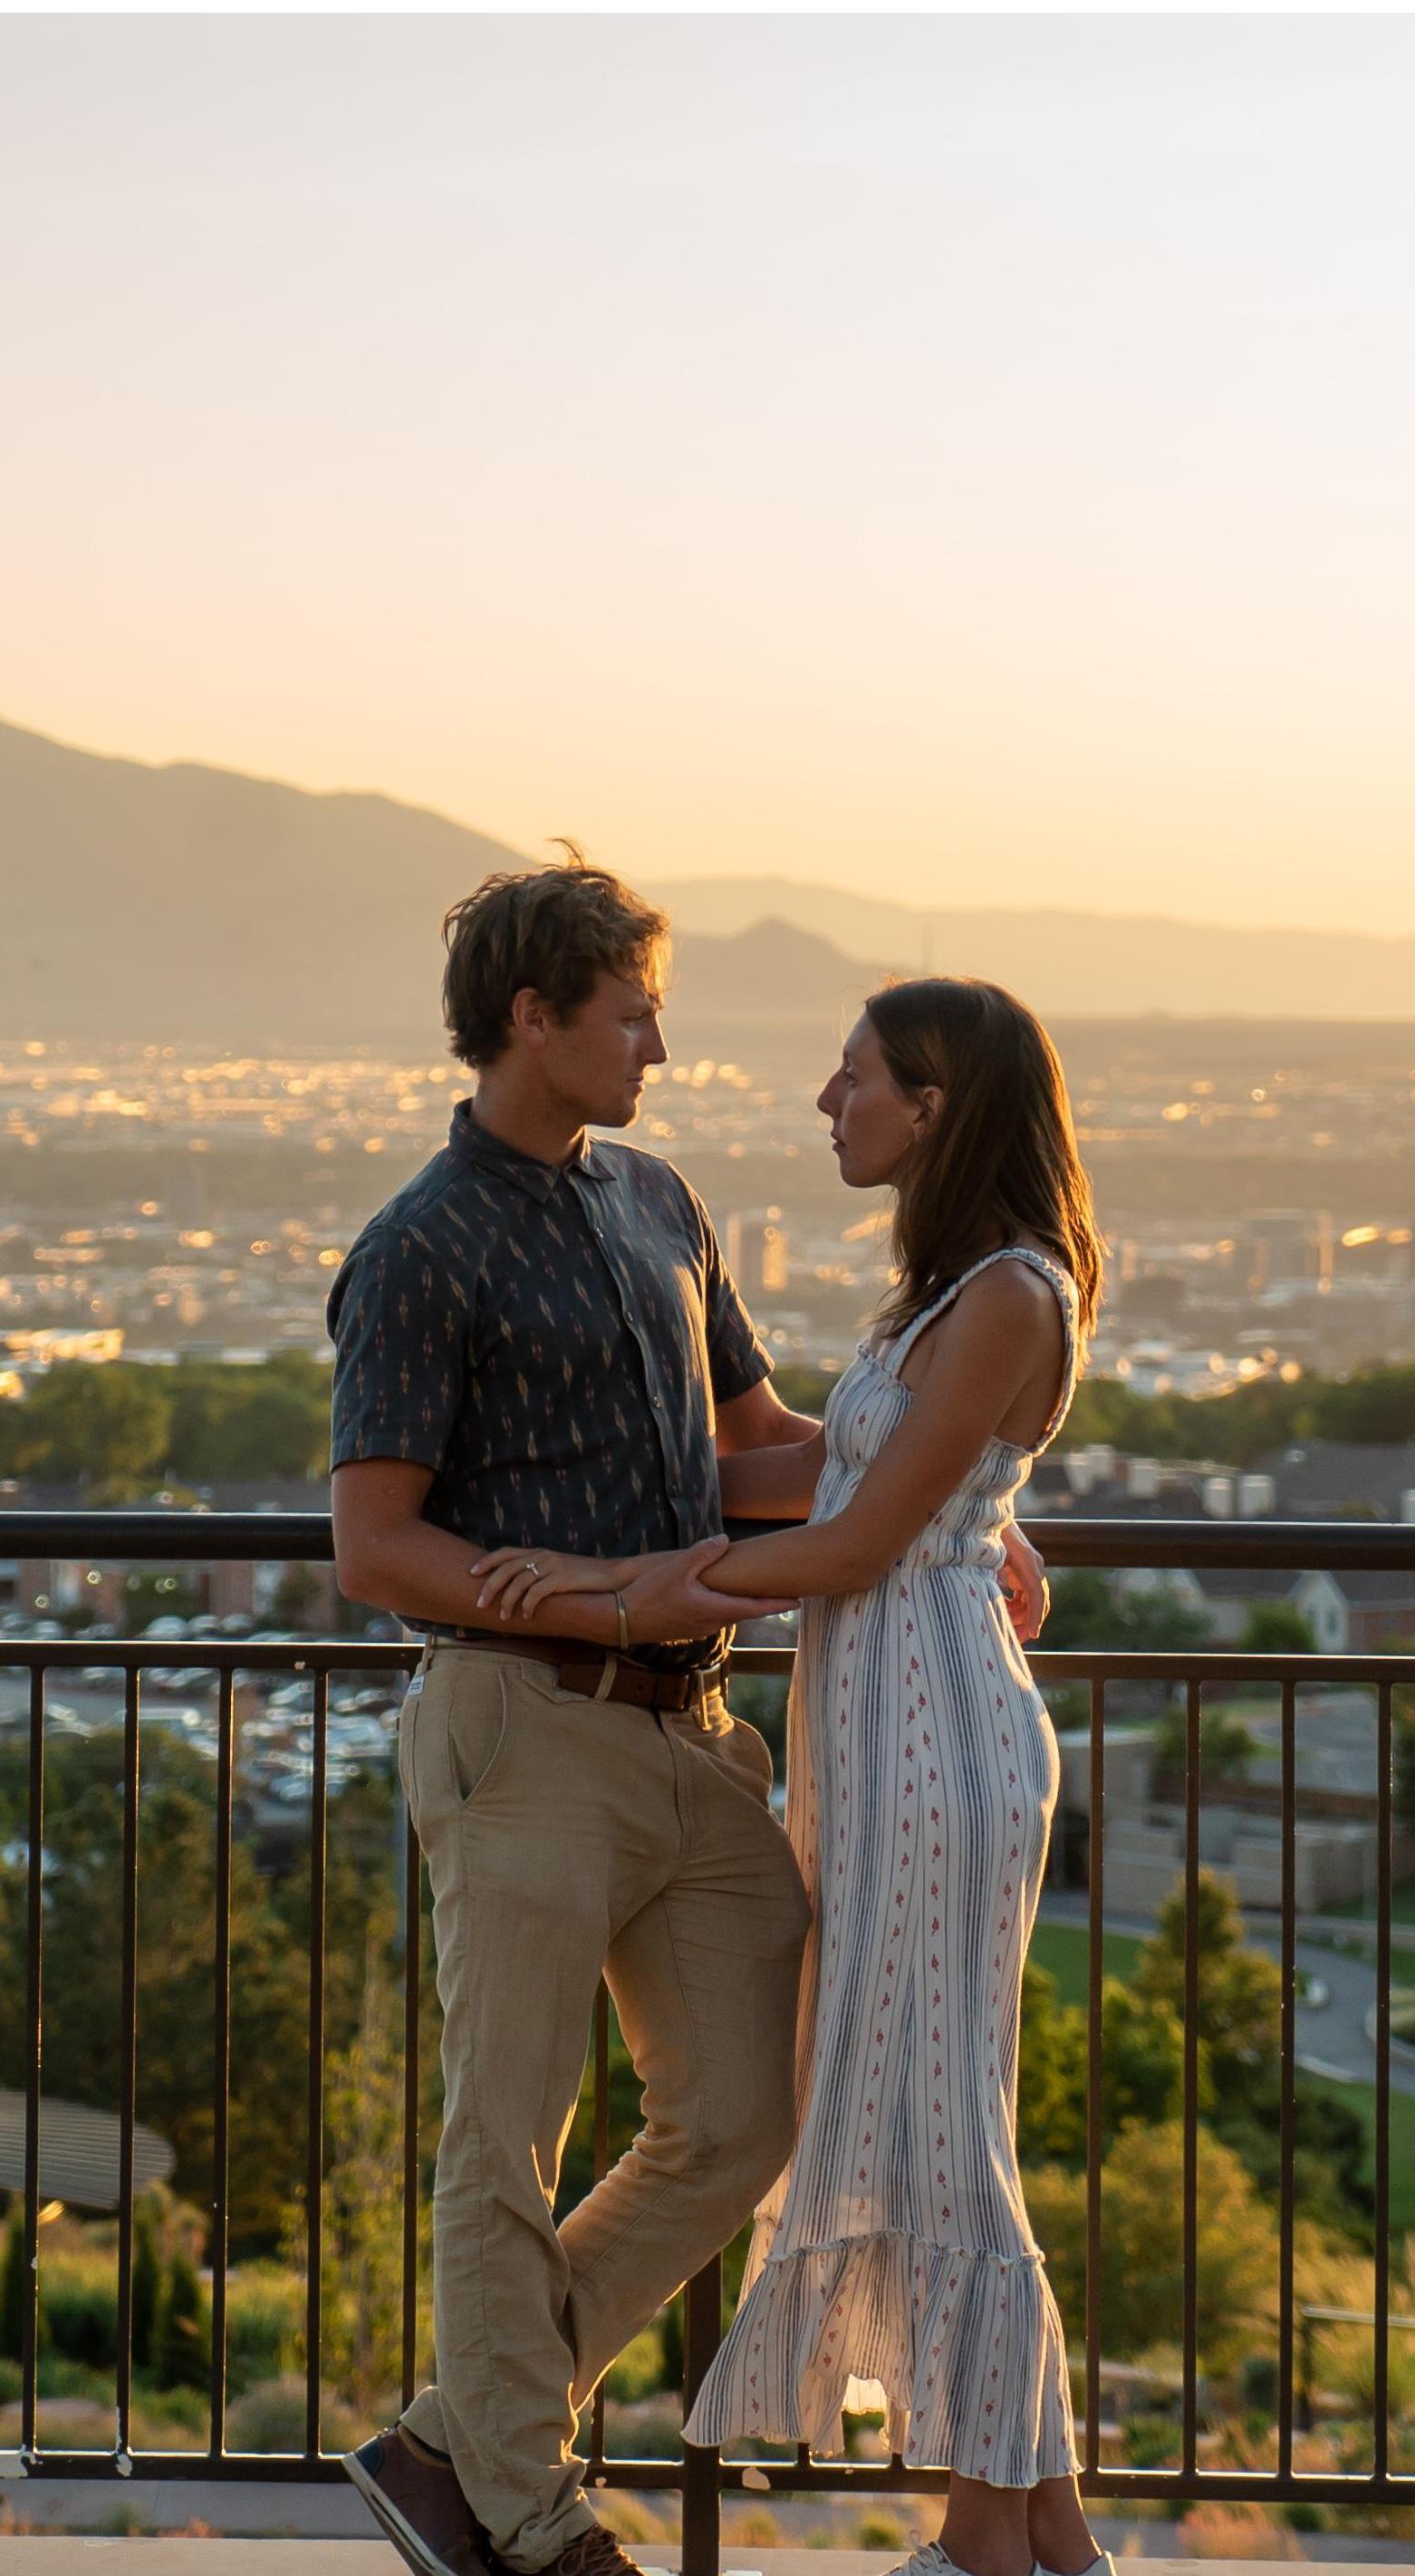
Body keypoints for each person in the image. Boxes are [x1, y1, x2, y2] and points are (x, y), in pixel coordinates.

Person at [329, 861, 1049, 2576]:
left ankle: (457, 2442)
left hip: (696, 1728)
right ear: (535, 1017)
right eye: (634, 1010)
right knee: (504, 2129)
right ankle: (525, 2507)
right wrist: (601, 1595)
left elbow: (771, 1445)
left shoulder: (661, 1203)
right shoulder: (419, 1247)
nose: (662, 1042)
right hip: (523, 1726)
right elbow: (375, 1546)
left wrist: (978, 1495)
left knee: (746, 2111)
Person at [474, 977, 1114, 2576]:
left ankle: (986, 2541)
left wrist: (620, 1588)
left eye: (857, 1081)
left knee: (943, 2125)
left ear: (941, 1106)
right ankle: (1051, 2541)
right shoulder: (957, 1295)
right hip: (887, 1737)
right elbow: (839, 1471)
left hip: (936, 1748)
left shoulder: (1009, 1297)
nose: (831, 1105)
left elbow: (859, 1536)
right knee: (927, 2112)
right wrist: (559, 1511)